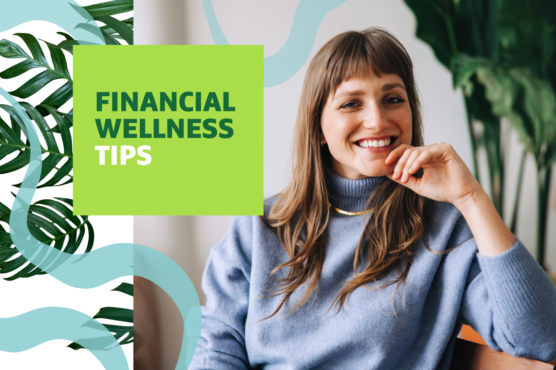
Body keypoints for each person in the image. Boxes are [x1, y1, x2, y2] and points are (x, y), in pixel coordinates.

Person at [189, 27, 556, 369]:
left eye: (393, 99)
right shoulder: (259, 226)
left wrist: (471, 197)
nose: (378, 121)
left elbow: (541, 337)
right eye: (351, 104)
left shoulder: (446, 231)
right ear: (318, 128)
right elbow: (218, 348)